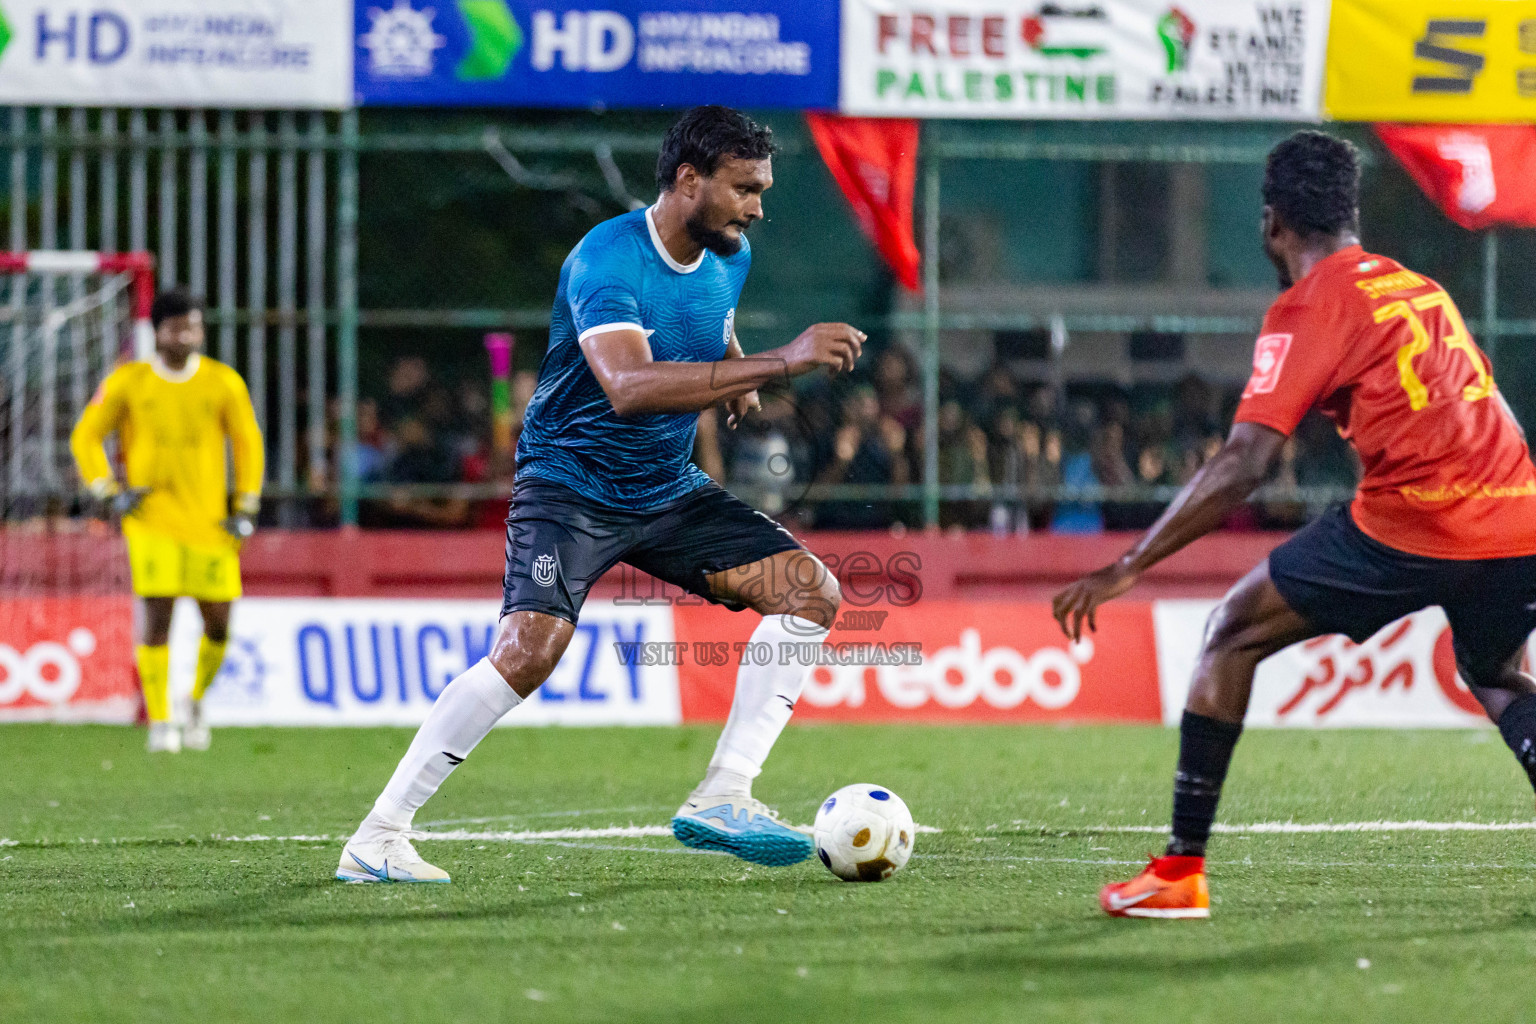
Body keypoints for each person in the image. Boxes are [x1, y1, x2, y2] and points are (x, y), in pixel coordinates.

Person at [337, 106, 865, 883]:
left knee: (810, 593)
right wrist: (781, 363)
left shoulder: (732, 252)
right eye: (745, 188)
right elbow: (629, 386)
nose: (759, 207)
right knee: (528, 651)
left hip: (665, 488)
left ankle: (723, 794)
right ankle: (378, 835)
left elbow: (706, 317)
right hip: (570, 486)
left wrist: (736, 360)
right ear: (689, 181)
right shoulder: (606, 260)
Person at [1051, 131, 1536, 919]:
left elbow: (1245, 463)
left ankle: (1179, 873)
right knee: (1497, 677)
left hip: (1414, 520)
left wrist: (1130, 563)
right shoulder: (1420, 289)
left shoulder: (1310, 304)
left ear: (1272, 224)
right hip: (1519, 519)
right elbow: (1495, 410)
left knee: (1231, 631)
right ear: (1348, 212)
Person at [70, 289, 264, 753]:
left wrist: (247, 507)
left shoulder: (223, 382)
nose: (187, 335)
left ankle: (194, 699)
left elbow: (248, 444)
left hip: (211, 524)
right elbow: (85, 437)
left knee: (218, 624)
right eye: (178, 327)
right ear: (156, 331)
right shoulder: (128, 381)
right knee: (158, 618)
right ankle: (160, 721)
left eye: (194, 326)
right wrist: (107, 490)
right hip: (151, 521)